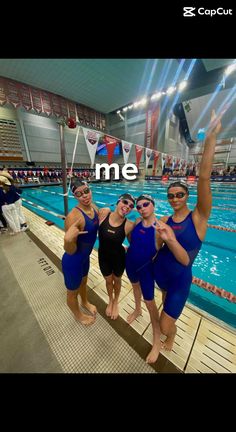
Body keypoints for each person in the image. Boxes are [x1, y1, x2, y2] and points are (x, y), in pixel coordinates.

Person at [153, 109, 222, 353]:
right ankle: (169, 333)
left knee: (163, 324)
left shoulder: (199, 217)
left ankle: (170, 336)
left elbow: (204, 177)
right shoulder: (163, 219)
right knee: (164, 307)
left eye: (180, 194)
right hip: (161, 276)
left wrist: (211, 138)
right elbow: (156, 249)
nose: (175, 199)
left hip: (180, 280)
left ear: (187, 196)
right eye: (171, 196)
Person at [125, 194, 188, 364]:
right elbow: (131, 240)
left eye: (145, 204)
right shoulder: (137, 222)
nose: (142, 208)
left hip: (146, 270)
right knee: (134, 288)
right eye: (138, 206)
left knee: (151, 306)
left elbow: (170, 249)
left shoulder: (160, 229)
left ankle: (156, 342)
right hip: (130, 264)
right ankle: (137, 310)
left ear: (153, 205)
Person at [62, 178, 99, 325]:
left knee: (84, 283)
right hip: (73, 261)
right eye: (78, 194)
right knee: (72, 292)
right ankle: (78, 315)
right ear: (75, 197)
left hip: (85, 257)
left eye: (86, 191)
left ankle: (84, 302)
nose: (84, 195)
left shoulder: (94, 208)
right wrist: (68, 240)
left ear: (90, 190)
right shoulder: (73, 217)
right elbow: (70, 251)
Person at [98, 193, 135, 320]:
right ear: (118, 202)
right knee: (108, 281)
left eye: (131, 205)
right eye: (125, 202)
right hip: (103, 257)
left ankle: (116, 302)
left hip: (119, 258)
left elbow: (134, 244)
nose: (127, 206)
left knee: (117, 280)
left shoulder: (129, 225)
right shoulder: (103, 214)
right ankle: (110, 300)